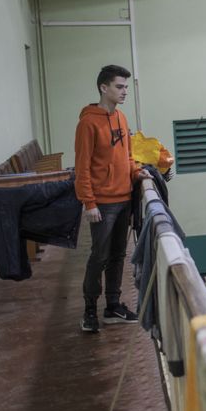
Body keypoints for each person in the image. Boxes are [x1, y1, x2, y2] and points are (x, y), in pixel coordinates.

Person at [75, 64, 150, 333]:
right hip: (103, 204)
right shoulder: (87, 123)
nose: (124, 92)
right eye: (119, 86)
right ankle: (89, 311)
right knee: (99, 256)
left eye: (126, 87)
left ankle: (113, 306)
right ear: (103, 88)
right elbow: (82, 167)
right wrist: (89, 202)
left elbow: (127, 156)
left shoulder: (121, 118)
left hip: (124, 198)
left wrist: (137, 173)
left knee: (119, 255)